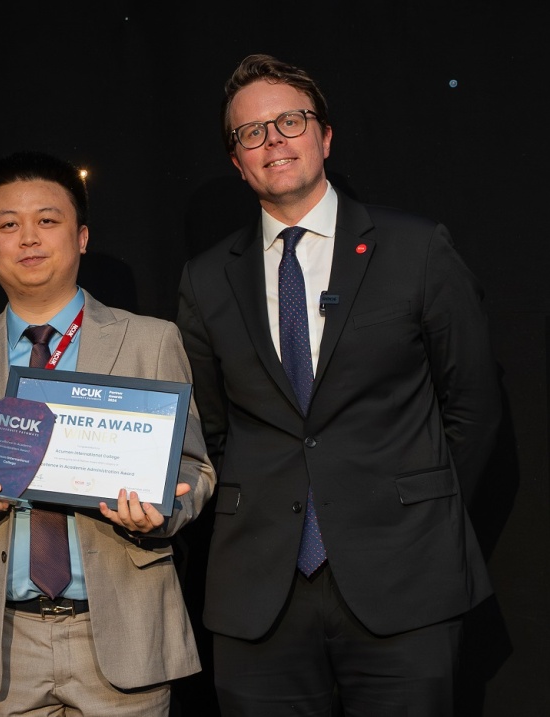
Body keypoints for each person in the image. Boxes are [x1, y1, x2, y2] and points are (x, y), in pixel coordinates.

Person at [175, 53, 502, 716]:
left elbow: (473, 407)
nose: (273, 140)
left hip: (405, 579)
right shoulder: (206, 280)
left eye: (290, 121)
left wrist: (412, 509)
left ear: (324, 136)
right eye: (251, 132)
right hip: (259, 596)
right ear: (237, 161)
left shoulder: (415, 250)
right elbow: (210, 430)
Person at [0, 150, 216, 716]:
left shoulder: (150, 342)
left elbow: (195, 469)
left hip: (124, 633)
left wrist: (166, 509)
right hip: (4, 644)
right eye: (8, 225)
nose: (28, 238)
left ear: (81, 237)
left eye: (47, 220)